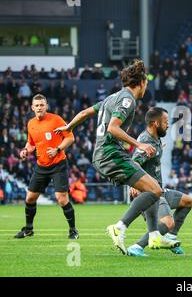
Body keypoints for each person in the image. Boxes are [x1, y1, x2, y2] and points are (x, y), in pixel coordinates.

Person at [54, 59, 171, 255]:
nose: (146, 87)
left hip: (104, 155)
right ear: (141, 82)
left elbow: (84, 112)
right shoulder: (127, 100)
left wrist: (68, 127)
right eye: (146, 83)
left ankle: (153, 235)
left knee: (152, 189)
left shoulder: (112, 97)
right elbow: (113, 127)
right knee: (155, 190)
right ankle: (120, 227)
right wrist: (138, 144)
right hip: (110, 154)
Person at [127, 107, 192, 257]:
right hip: (147, 192)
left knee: (187, 201)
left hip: (159, 190)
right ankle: (137, 246)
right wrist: (133, 185)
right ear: (156, 123)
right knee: (168, 222)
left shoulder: (156, 139)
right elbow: (134, 163)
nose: (168, 125)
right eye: (165, 122)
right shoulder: (146, 141)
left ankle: (170, 236)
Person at [15, 94, 78, 239]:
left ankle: (73, 230)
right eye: (36, 105)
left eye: (42, 105)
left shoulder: (56, 120)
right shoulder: (30, 123)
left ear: (46, 106)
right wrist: (25, 151)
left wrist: (57, 149)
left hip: (58, 164)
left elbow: (70, 137)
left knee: (61, 198)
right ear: (32, 108)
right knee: (30, 198)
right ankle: (29, 229)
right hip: (41, 165)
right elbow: (31, 143)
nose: (39, 108)